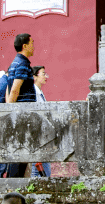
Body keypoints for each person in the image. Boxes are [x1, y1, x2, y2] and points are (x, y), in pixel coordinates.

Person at [4, 34, 35, 178]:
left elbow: (9, 90)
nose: (33, 46)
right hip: (22, 113)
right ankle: (13, 185)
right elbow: (15, 89)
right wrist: (10, 111)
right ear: (25, 46)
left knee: (20, 150)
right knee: (21, 151)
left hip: (18, 113)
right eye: (32, 43)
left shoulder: (14, 63)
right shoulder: (22, 63)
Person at [29, 67, 49, 178]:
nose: (46, 76)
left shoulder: (40, 92)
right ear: (35, 76)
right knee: (38, 165)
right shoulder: (34, 92)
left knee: (40, 164)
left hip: (43, 132)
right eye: (43, 74)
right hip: (37, 132)